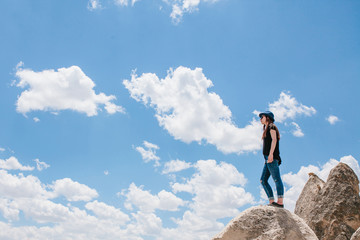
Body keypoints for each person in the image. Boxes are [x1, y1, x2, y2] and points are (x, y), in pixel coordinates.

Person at [259, 111, 284, 208]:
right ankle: (272, 201)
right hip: (267, 159)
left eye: (262, 117)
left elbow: (274, 140)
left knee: (277, 179)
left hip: (271, 158)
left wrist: (271, 154)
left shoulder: (272, 126)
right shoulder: (266, 128)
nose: (260, 119)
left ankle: (280, 202)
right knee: (263, 180)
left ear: (267, 117)